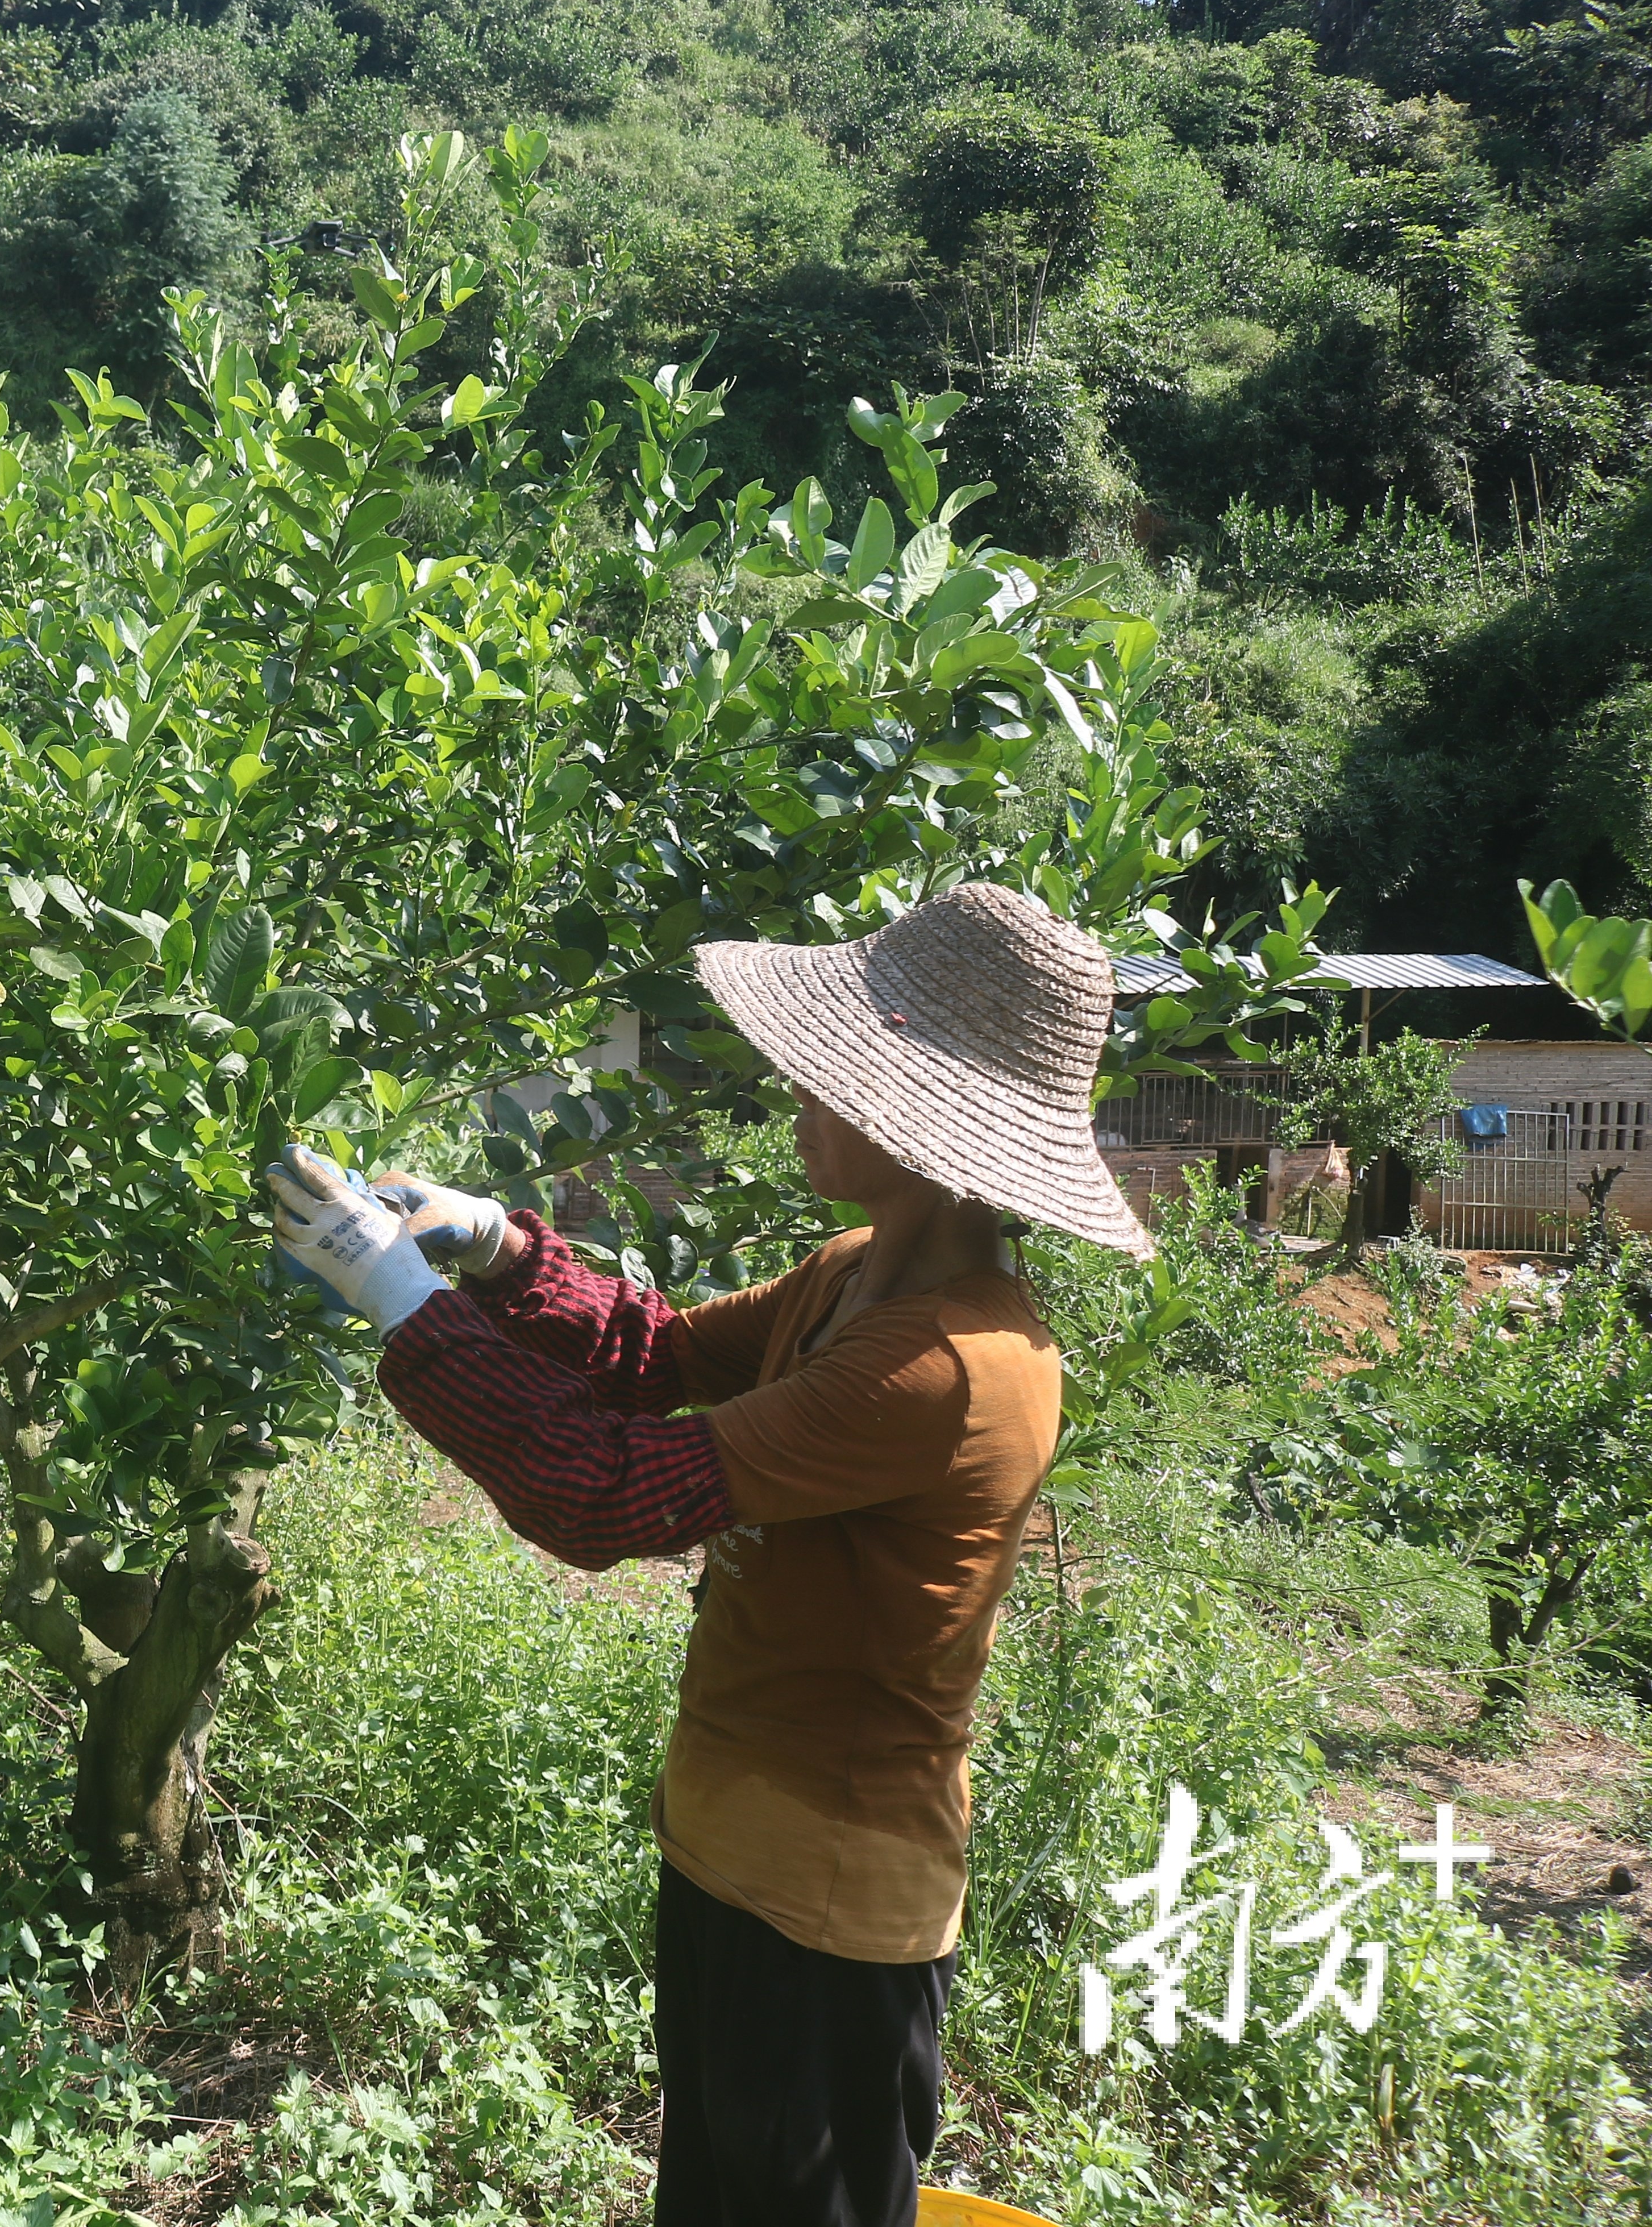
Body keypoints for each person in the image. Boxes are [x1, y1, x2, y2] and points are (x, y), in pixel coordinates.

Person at [264, 882, 1149, 2227]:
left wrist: (396, 1294)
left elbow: (608, 1490)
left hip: (830, 1904)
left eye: (834, 1065)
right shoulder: (860, 1273)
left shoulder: (949, 1365)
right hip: (743, 1849)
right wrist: (500, 1245)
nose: (797, 1081)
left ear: (918, 1116)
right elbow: (659, 1356)